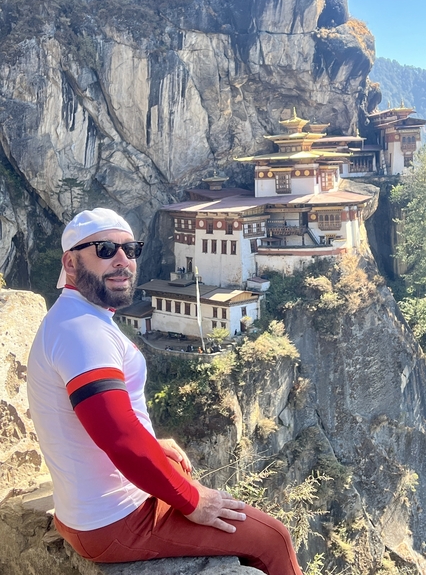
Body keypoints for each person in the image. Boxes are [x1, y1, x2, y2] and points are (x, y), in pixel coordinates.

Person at [27, 208, 302, 575]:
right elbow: (120, 439)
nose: (123, 260)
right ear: (71, 263)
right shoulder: (81, 332)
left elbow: (98, 422)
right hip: (115, 520)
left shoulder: (76, 318)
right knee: (274, 539)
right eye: (106, 249)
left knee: (172, 462)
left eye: (130, 249)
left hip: (94, 509)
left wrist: (154, 445)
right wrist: (192, 501)